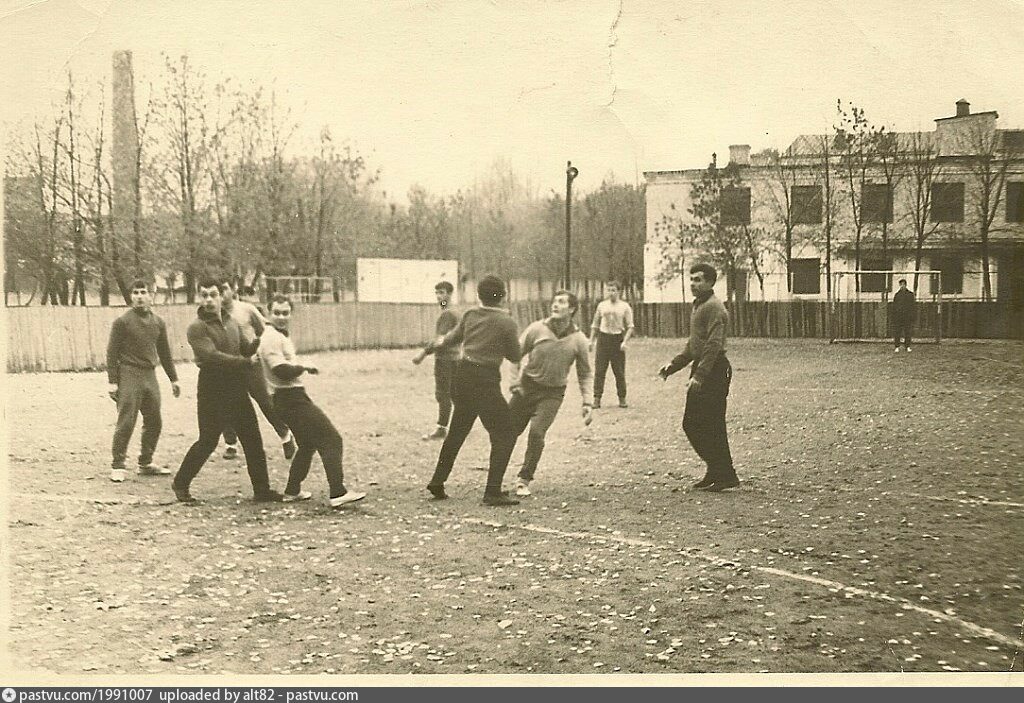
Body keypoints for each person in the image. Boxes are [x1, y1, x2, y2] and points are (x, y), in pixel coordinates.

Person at [172, 278, 284, 504]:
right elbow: (211, 357)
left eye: (213, 294)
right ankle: (181, 483)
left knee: (252, 439)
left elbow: (245, 348)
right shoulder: (197, 328)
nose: (209, 300)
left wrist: (263, 339)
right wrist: (245, 362)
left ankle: (262, 490)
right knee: (208, 441)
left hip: (236, 387)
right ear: (199, 298)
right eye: (204, 295)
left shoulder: (231, 322)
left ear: (221, 296)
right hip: (212, 389)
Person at [258, 294, 367, 508]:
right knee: (332, 439)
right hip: (290, 399)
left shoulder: (278, 336)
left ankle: (292, 490)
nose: (281, 317)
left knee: (307, 445)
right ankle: (337, 491)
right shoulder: (271, 337)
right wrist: (304, 366)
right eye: (277, 313)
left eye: (285, 313)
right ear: (269, 314)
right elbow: (279, 370)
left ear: (291, 313)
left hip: (289, 398)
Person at [424, 275, 522, 506]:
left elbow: (450, 339)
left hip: (462, 375)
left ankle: (437, 481)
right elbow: (515, 355)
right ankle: (492, 491)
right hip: (485, 379)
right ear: (503, 297)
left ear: (479, 295)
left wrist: (432, 346)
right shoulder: (506, 321)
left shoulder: (470, 314)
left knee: (458, 428)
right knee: (506, 433)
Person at [657, 263, 739, 492]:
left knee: (710, 424)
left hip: (714, 369)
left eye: (699, 280)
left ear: (711, 283)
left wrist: (700, 376)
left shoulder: (714, 307)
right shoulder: (699, 306)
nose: (693, 283)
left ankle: (725, 473)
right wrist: (673, 366)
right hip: (702, 367)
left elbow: (713, 344)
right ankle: (717, 471)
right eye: (691, 279)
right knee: (694, 424)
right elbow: (695, 345)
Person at [509, 290, 593, 497]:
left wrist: (587, 403)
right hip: (526, 388)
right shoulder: (536, 329)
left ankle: (523, 479)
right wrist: (514, 382)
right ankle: (494, 478)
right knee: (507, 432)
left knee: (537, 433)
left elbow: (585, 374)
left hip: (552, 394)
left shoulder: (579, 340)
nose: (556, 305)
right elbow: (514, 355)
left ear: (571, 309)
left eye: (562, 302)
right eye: (555, 301)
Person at [106, 279, 181, 482]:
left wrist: (174, 379)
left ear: (151, 295)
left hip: (150, 374)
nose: (139, 296)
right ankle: (118, 464)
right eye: (136, 292)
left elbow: (164, 353)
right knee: (127, 420)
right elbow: (111, 353)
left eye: (143, 292)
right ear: (131, 296)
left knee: (155, 420)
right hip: (129, 373)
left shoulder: (158, 322)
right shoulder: (122, 322)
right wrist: (113, 381)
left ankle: (145, 462)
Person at [218, 279, 296, 461]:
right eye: (217, 291)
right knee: (226, 404)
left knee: (265, 400)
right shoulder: (212, 314)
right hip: (227, 365)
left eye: (224, 289)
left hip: (251, 363)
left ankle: (286, 436)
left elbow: (266, 329)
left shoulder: (246, 309)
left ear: (232, 289)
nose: (221, 295)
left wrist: (269, 351)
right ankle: (230, 444)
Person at [412, 280, 460, 440]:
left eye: (442, 293)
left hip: (445, 358)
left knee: (443, 393)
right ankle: (453, 426)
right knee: (453, 393)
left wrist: (423, 353)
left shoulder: (447, 314)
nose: (439, 296)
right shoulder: (454, 312)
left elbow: (440, 340)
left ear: (450, 294)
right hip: (455, 357)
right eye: (437, 293)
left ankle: (442, 428)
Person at [589, 280, 634, 408]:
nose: (611, 293)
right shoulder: (602, 305)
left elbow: (630, 326)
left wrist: (625, 341)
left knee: (619, 371)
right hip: (603, 339)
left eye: (613, 290)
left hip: (617, 340)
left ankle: (622, 398)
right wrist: (591, 340)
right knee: (599, 370)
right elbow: (595, 324)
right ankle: (597, 398)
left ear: (619, 291)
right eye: (609, 290)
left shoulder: (625, 307)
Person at [892, 279, 915, 353]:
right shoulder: (897, 295)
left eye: (903, 284)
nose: (902, 286)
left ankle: (907, 346)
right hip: (898, 317)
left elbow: (913, 306)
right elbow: (894, 306)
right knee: (897, 332)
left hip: (907, 317)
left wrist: (912, 316)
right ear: (900, 285)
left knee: (907, 332)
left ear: (906, 285)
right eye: (901, 284)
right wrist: (895, 316)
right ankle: (897, 347)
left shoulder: (910, 294)